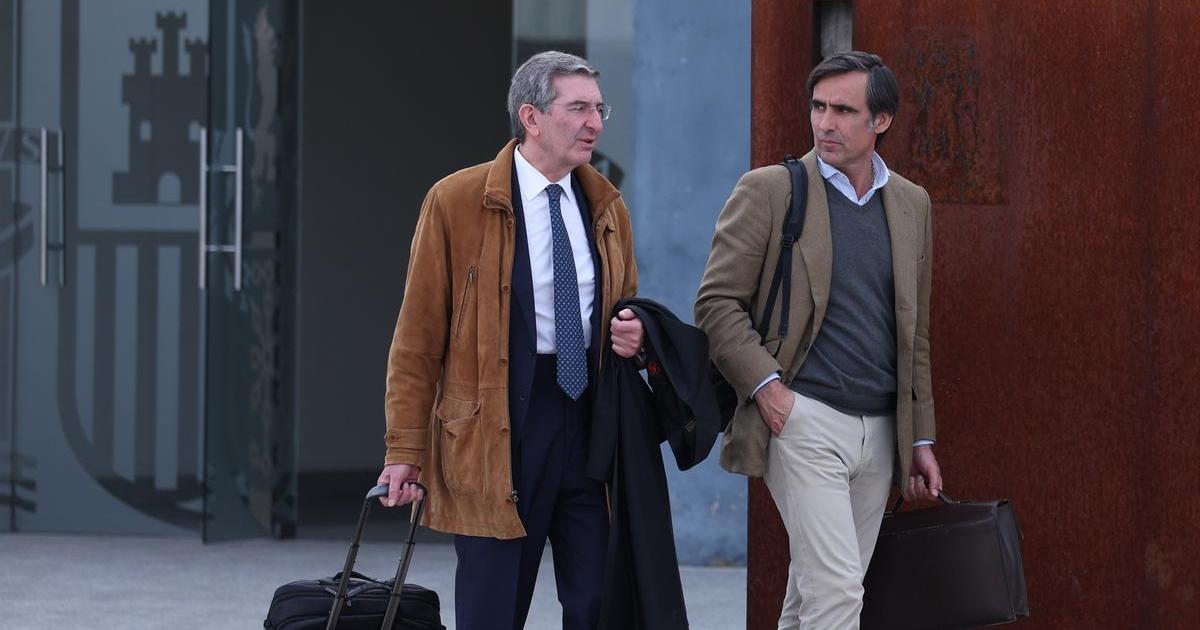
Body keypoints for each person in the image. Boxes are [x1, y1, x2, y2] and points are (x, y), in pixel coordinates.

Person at [376, 51, 643, 630]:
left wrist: (635, 332)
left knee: (599, 604)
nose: (594, 123)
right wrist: (404, 450)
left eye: (599, 110)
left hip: (588, 423)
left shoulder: (607, 204)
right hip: (495, 429)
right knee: (492, 609)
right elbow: (417, 338)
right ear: (532, 117)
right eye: (579, 109)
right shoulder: (456, 201)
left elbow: (625, 305)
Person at [695, 51, 944, 629]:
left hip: (881, 432)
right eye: (818, 107)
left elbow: (915, 331)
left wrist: (919, 435)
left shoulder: (911, 203)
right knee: (838, 595)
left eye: (843, 111)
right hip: (804, 420)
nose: (825, 123)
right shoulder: (771, 190)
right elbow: (716, 303)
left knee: (815, 597)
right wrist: (769, 391)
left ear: (881, 120)